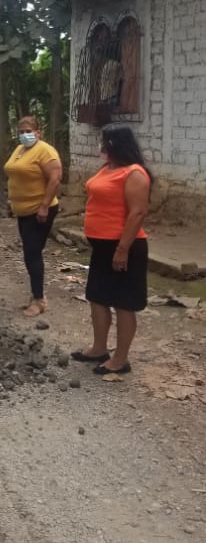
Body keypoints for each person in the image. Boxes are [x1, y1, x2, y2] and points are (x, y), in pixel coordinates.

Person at [71, 124, 151, 375]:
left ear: (116, 144)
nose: (101, 146)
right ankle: (99, 348)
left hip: (125, 247)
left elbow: (138, 213)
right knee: (98, 297)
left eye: (104, 141)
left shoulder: (135, 173)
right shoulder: (107, 168)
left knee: (123, 303)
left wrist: (122, 249)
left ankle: (120, 359)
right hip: (102, 247)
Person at [4, 115, 63, 317]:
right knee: (30, 253)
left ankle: (39, 300)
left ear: (38, 132)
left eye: (28, 131)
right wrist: (12, 200)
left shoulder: (46, 151)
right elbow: (15, 175)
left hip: (39, 210)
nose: (24, 135)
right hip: (23, 210)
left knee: (33, 253)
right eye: (21, 132)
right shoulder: (20, 150)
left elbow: (55, 179)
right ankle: (35, 295)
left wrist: (44, 206)